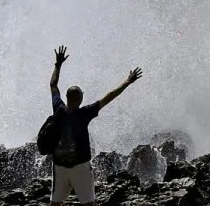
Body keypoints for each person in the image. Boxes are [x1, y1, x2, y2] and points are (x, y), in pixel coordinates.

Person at [47, 46, 143, 204]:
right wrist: (127, 82)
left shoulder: (58, 108)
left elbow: (53, 85)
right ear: (79, 100)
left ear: (66, 97)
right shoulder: (84, 113)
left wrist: (58, 65)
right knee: (89, 203)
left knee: (55, 204)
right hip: (80, 167)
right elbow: (109, 96)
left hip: (59, 166)